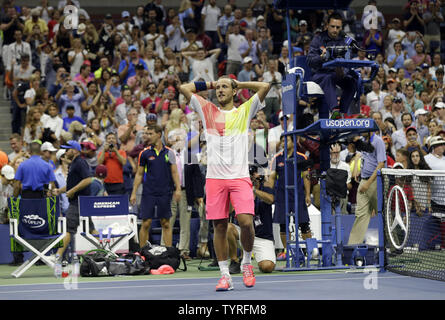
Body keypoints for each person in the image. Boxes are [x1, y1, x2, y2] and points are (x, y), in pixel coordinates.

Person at [179, 76, 270, 291]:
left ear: (234, 92)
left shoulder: (244, 110)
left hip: (239, 177)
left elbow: (265, 86)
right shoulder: (207, 109)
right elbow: (184, 87)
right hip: (215, 179)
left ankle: (246, 262)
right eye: (218, 88)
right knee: (218, 226)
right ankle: (225, 276)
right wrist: (212, 84)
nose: (220, 90)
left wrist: (240, 83)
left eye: (224, 87)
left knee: (246, 222)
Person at [130, 124, 182, 249]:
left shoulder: (169, 152)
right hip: (149, 192)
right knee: (146, 223)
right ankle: (143, 254)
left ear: (159, 135)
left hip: (165, 192)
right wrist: (133, 192)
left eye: (150, 133)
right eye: (147, 134)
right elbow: (139, 174)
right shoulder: (144, 153)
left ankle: (168, 253)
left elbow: (175, 172)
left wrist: (178, 188)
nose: (147, 136)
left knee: (165, 223)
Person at [266, 135, 313, 261]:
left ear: (294, 142)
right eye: (281, 140)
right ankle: (288, 251)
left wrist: (308, 194)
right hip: (282, 196)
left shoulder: (301, 157)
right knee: (283, 225)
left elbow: (306, 177)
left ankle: (309, 250)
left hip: (298, 195)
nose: (283, 143)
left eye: (286, 140)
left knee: (304, 224)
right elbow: (271, 178)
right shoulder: (277, 158)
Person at [53, 140, 93, 277]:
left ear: (74, 150)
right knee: (91, 230)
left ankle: (57, 257)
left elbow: (88, 180)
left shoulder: (80, 162)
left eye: (67, 149)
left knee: (68, 230)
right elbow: (72, 184)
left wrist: (73, 191)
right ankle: (105, 251)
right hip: (80, 202)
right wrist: (60, 191)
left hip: (78, 202)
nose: (65, 152)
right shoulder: (74, 163)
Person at [227, 164, 276, 274]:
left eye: (254, 175)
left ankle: (257, 259)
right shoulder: (238, 191)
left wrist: (252, 189)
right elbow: (229, 211)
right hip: (244, 233)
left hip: (263, 237)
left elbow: (270, 199)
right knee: (228, 227)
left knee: (267, 267)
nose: (253, 178)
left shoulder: (265, 188)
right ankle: (234, 261)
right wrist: (236, 192)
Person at [307, 12, 357, 116]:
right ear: (327, 26)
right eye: (332, 26)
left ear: (341, 27)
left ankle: (342, 112)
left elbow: (349, 60)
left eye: (338, 27)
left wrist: (343, 72)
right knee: (328, 78)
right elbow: (310, 61)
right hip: (320, 74)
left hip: (337, 73)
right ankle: (335, 110)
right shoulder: (318, 39)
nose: (335, 30)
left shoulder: (345, 40)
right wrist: (321, 57)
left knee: (352, 82)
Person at [347, 130, 386, 245]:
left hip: (376, 181)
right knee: (360, 214)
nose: (360, 132)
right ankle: (353, 245)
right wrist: (361, 173)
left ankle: (395, 246)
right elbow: (366, 160)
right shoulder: (363, 142)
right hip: (364, 180)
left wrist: (368, 183)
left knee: (382, 214)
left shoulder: (378, 141)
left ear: (369, 130)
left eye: (363, 129)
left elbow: (381, 164)